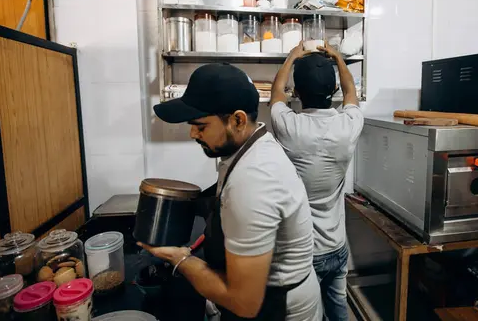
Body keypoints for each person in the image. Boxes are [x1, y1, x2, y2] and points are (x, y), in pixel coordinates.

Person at [139, 63, 322, 321]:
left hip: (278, 308)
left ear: (237, 120)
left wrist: (180, 259)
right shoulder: (249, 145)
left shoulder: (253, 181)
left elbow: (244, 302)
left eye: (200, 126)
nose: (193, 133)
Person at [270, 42, 364, 321]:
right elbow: (351, 93)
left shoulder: (290, 127)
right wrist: (338, 57)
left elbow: (276, 94)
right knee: (338, 310)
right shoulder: (349, 125)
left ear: (297, 93)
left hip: (302, 251)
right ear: (333, 91)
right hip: (337, 246)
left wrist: (291, 56)